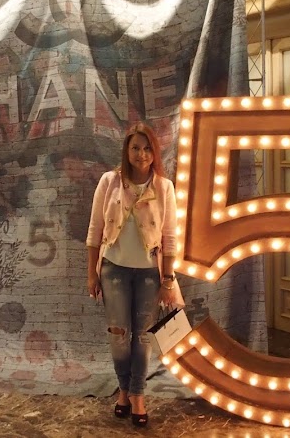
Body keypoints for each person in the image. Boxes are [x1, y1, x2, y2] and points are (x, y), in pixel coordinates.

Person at [86, 122, 184, 428]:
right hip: (113, 269)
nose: (141, 154)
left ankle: (137, 395)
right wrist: (91, 274)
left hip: (149, 275)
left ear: (155, 152)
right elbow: (94, 230)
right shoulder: (109, 181)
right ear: (126, 150)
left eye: (147, 148)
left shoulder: (164, 187)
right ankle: (123, 390)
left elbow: (170, 237)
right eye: (135, 148)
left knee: (143, 337)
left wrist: (168, 280)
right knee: (118, 335)